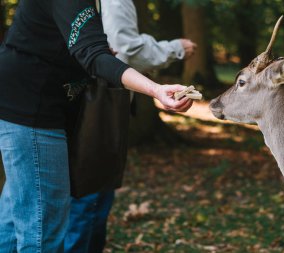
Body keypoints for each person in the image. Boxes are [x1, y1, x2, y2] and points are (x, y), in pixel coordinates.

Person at [0, 0, 193, 252]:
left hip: (35, 105)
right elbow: (93, 54)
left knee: (15, 219)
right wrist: (156, 89)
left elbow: (64, 43)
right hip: (33, 110)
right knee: (42, 231)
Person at [64, 1, 197, 252]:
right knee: (90, 194)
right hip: (98, 108)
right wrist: (174, 49)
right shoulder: (117, 1)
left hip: (89, 104)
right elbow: (128, 50)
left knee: (92, 194)